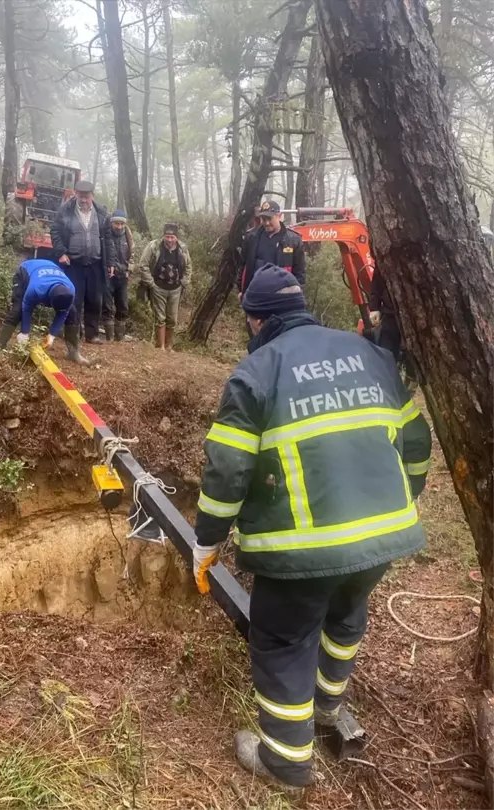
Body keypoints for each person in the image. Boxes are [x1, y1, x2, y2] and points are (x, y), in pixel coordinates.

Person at [192, 265, 431, 796]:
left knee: (280, 640)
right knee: (345, 616)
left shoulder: (256, 374)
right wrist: (404, 499)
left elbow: (227, 471)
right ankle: (327, 705)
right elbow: (416, 442)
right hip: (381, 538)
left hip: (301, 551)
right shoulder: (370, 355)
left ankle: (285, 762)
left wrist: (207, 541)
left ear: (256, 322)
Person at [49, 179, 114, 346]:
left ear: (92, 196)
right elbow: (55, 231)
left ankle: (92, 335)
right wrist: (61, 252)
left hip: (95, 263)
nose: (84, 200)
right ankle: (73, 332)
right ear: (75, 194)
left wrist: (111, 262)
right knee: (74, 299)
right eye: (81, 196)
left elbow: (108, 239)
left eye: (87, 196)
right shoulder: (66, 210)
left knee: (94, 300)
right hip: (73, 263)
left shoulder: (102, 213)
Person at [0, 258, 79, 357]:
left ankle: (73, 354)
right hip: (26, 271)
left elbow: (63, 312)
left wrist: (52, 335)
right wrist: (24, 332)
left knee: (72, 313)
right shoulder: (36, 289)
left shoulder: (71, 289)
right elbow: (27, 307)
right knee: (17, 310)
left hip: (49, 268)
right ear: (49, 300)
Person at [139, 223, 192, 350]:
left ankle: (169, 346)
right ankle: (160, 346)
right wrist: (150, 283)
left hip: (175, 289)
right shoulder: (154, 246)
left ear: (176, 238)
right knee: (160, 317)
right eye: (167, 236)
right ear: (164, 236)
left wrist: (185, 281)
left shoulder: (182, 248)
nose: (169, 239)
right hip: (158, 287)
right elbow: (143, 265)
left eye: (172, 237)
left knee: (172, 319)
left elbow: (189, 266)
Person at [239, 200, 306, 295]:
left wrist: (297, 296)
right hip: (255, 296)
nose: (266, 223)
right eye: (263, 218)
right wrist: (241, 291)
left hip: (282, 298)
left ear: (279, 216)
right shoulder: (251, 238)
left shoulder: (294, 241)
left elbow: (300, 274)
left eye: (270, 218)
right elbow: (242, 267)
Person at [369, 265, 416, 389]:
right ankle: (386, 387)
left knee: (413, 356)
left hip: (415, 316)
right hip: (390, 315)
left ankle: (410, 386)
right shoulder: (384, 256)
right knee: (386, 353)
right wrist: (374, 307)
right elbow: (376, 282)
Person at [103, 210, 133, 341]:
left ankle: (119, 337)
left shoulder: (128, 235)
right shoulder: (105, 235)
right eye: (117, 223)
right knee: (107, 306)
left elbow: (132, 255)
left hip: (123, 276)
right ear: (111, 223)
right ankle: (109, 337)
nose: (119, 226)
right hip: (108, 276)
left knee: (123, 306)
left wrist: (129, 270)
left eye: (122, 223)